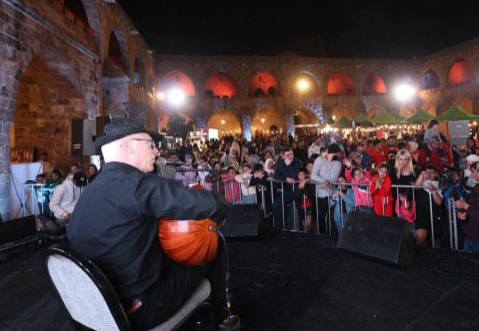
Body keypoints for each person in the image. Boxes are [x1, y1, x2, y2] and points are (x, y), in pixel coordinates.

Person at [67, 118, 233, 330]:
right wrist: (223, 209)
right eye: (150, 144)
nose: (156, 151)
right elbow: (202, 202)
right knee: (212, 243)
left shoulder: (91, 191)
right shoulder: (136, 184)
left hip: (101, 311)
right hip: (140, 311)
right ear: (127, 145)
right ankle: (222, 318)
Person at [311, 144, 342, 233]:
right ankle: (323, 235)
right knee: (320, 216)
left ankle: (327, 234)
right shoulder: (319, 159)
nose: (339, 155)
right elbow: (313, 175)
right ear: (335, 152)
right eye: (338, 153)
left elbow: (334, 178)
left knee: (326, 215)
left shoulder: (338, 163)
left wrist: (327, 182)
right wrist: (326, 181)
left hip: (330, 193)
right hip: (319, 193)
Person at [272, 147, 303, 230]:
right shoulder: (281, 163)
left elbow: (295, 177)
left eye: (291, 154)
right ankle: (278, 228)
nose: (290, 156)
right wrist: (286, 179)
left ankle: (302, 231)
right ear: (284, 156)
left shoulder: (298, 162)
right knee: (276, 205)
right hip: (288, 191)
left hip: (298, 190)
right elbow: (276, 175)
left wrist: (289, 165)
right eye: (287, 155)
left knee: (300, 211)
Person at [413, 163, 444, 246]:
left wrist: (434, 191)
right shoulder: (421, 181)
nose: (429, 174)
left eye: (432, 172)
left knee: (435, 239)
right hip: (422, 214)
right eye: (427, 172)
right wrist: (422, 175)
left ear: (436, 174)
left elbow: (439, 202)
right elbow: (416, 187)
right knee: (420, 237)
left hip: (435, 214)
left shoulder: (439, 184)